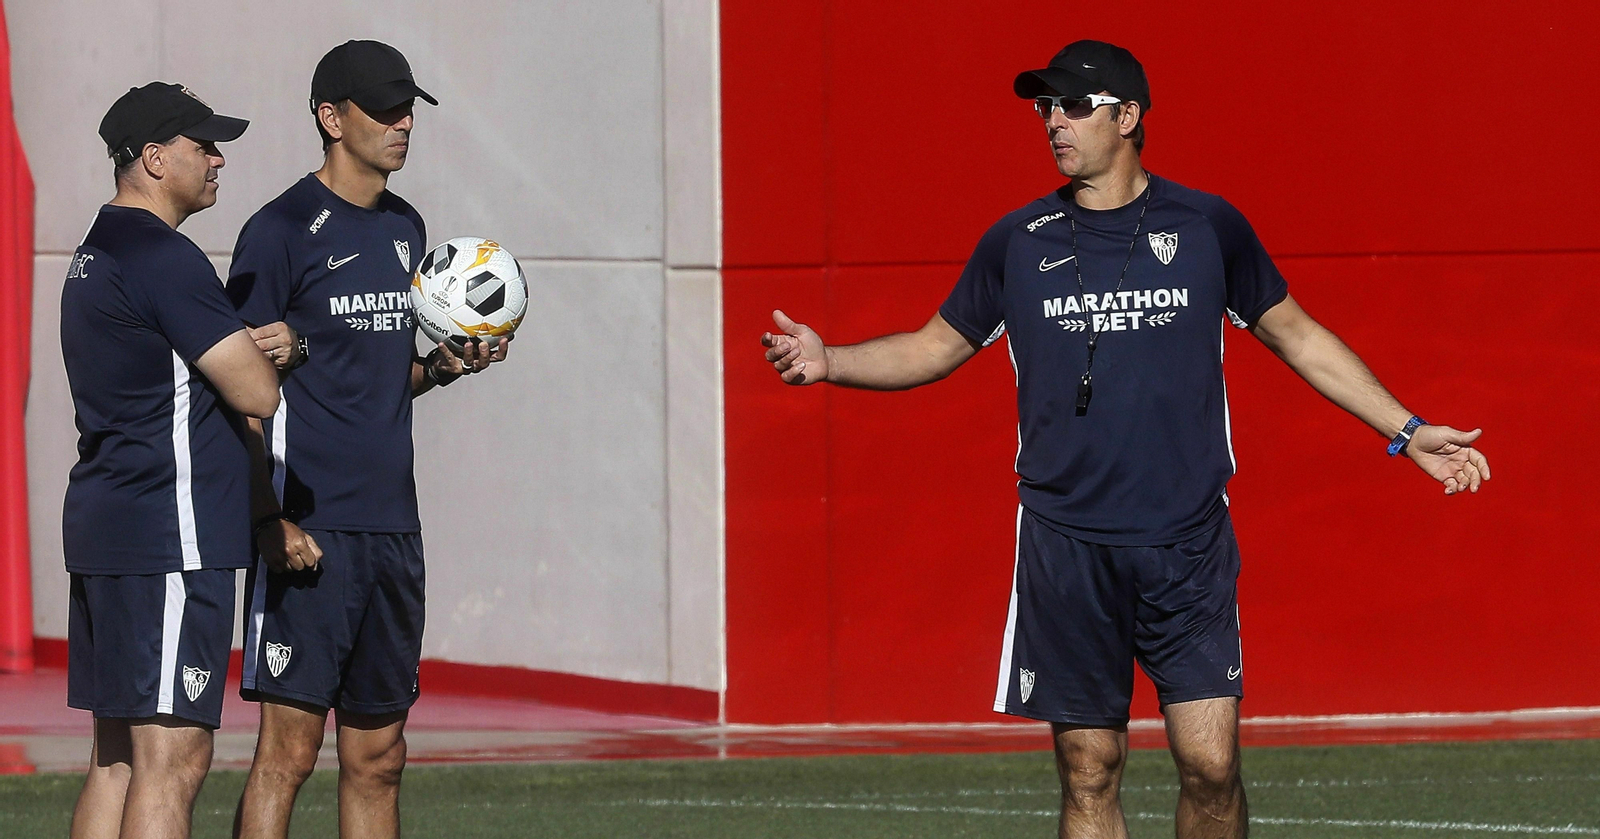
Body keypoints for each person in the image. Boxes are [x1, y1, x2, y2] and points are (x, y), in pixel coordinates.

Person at [759, 39, 1490, 839]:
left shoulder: (1209, 225)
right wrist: (832, 360)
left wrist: (1407, 429)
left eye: (1073, 105)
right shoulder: (1018, 240)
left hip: (1186, 540)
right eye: (1045, 107)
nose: (1053, 122)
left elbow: (1299, 336)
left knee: (1211, 768)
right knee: (1089, 769)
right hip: (1065, 543)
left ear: (1129, 115)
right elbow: (935, 345)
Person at [226, 41, 508, 839]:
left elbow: (387, 374)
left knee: (380, 754)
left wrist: (445, 368)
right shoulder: (277, 231)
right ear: (330, 116)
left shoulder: (406, 227)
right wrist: (265, 520)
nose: (402, 122)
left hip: (394, 529)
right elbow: (238, 397)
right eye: (384, 108)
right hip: (310, 530)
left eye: (407, 107)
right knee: (288, 750)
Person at [63, 83, 279, 839]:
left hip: (111, 524)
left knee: (116, 760)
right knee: (174, 759)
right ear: (153, 159)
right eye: (203, 145)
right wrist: (278, 348)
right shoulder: (163, 256)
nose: (218, 159)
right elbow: (257, 392)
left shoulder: (97, 248)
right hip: (169, 534)